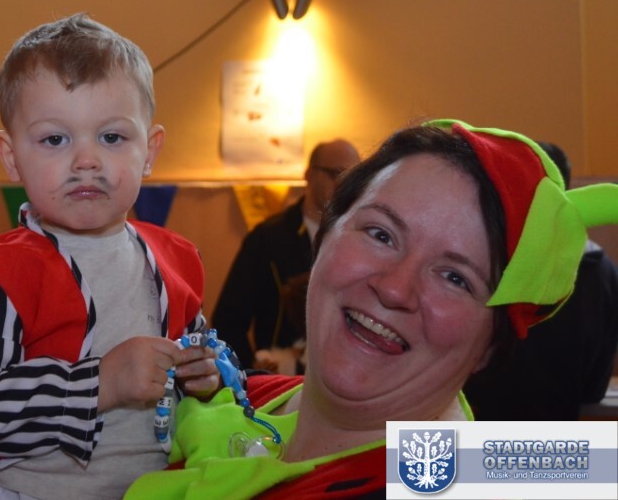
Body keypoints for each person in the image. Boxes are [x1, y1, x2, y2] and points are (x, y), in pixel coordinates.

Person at [124, 119, 618, 500]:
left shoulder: (455, 479)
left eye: (455, 277)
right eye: (381, 234)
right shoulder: (239, 394)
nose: (395, 289)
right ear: (325, 235)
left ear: (490, 345)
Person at [0, 14, 220, 499]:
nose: (86, 161)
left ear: (150, 150)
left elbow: (193, 376)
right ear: (11, 157)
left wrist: (205, 377)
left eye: (112, 137)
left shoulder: (179, 260)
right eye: (55, 139)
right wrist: (99, 384)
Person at [462, 141, 618, 420]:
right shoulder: (604, 273)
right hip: (559, 429)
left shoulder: (489, 258)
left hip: (479, 421)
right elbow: (594, 387)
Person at [211, 139, 360, 373]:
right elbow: (228, 320)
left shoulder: (362, 240)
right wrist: (251, 375)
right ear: (309, 175)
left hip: (345, 378)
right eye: (336, 174)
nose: (344, 186)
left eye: (353, 178)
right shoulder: (268, 238)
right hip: (280, 381)